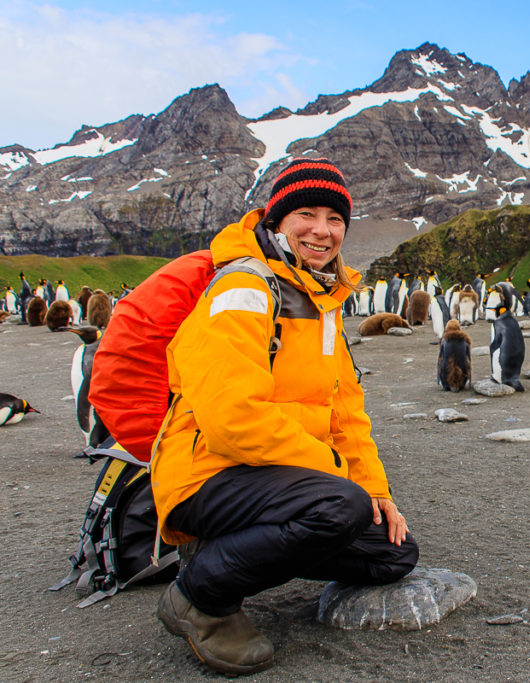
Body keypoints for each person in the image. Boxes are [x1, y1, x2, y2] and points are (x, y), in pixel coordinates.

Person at [151, 157, 418, 675]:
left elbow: (345, 411)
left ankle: (236, 552)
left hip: (274, 474)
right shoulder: (245, 289)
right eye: (307, 214)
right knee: (338, 506)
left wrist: (376, 491)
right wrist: (338, 477)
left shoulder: (320, 298)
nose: (323, 230)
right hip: (207, 473)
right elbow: (231, 418)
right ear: (276, 220)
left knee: (392, 553)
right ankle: (199, 595)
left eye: (335, 219)